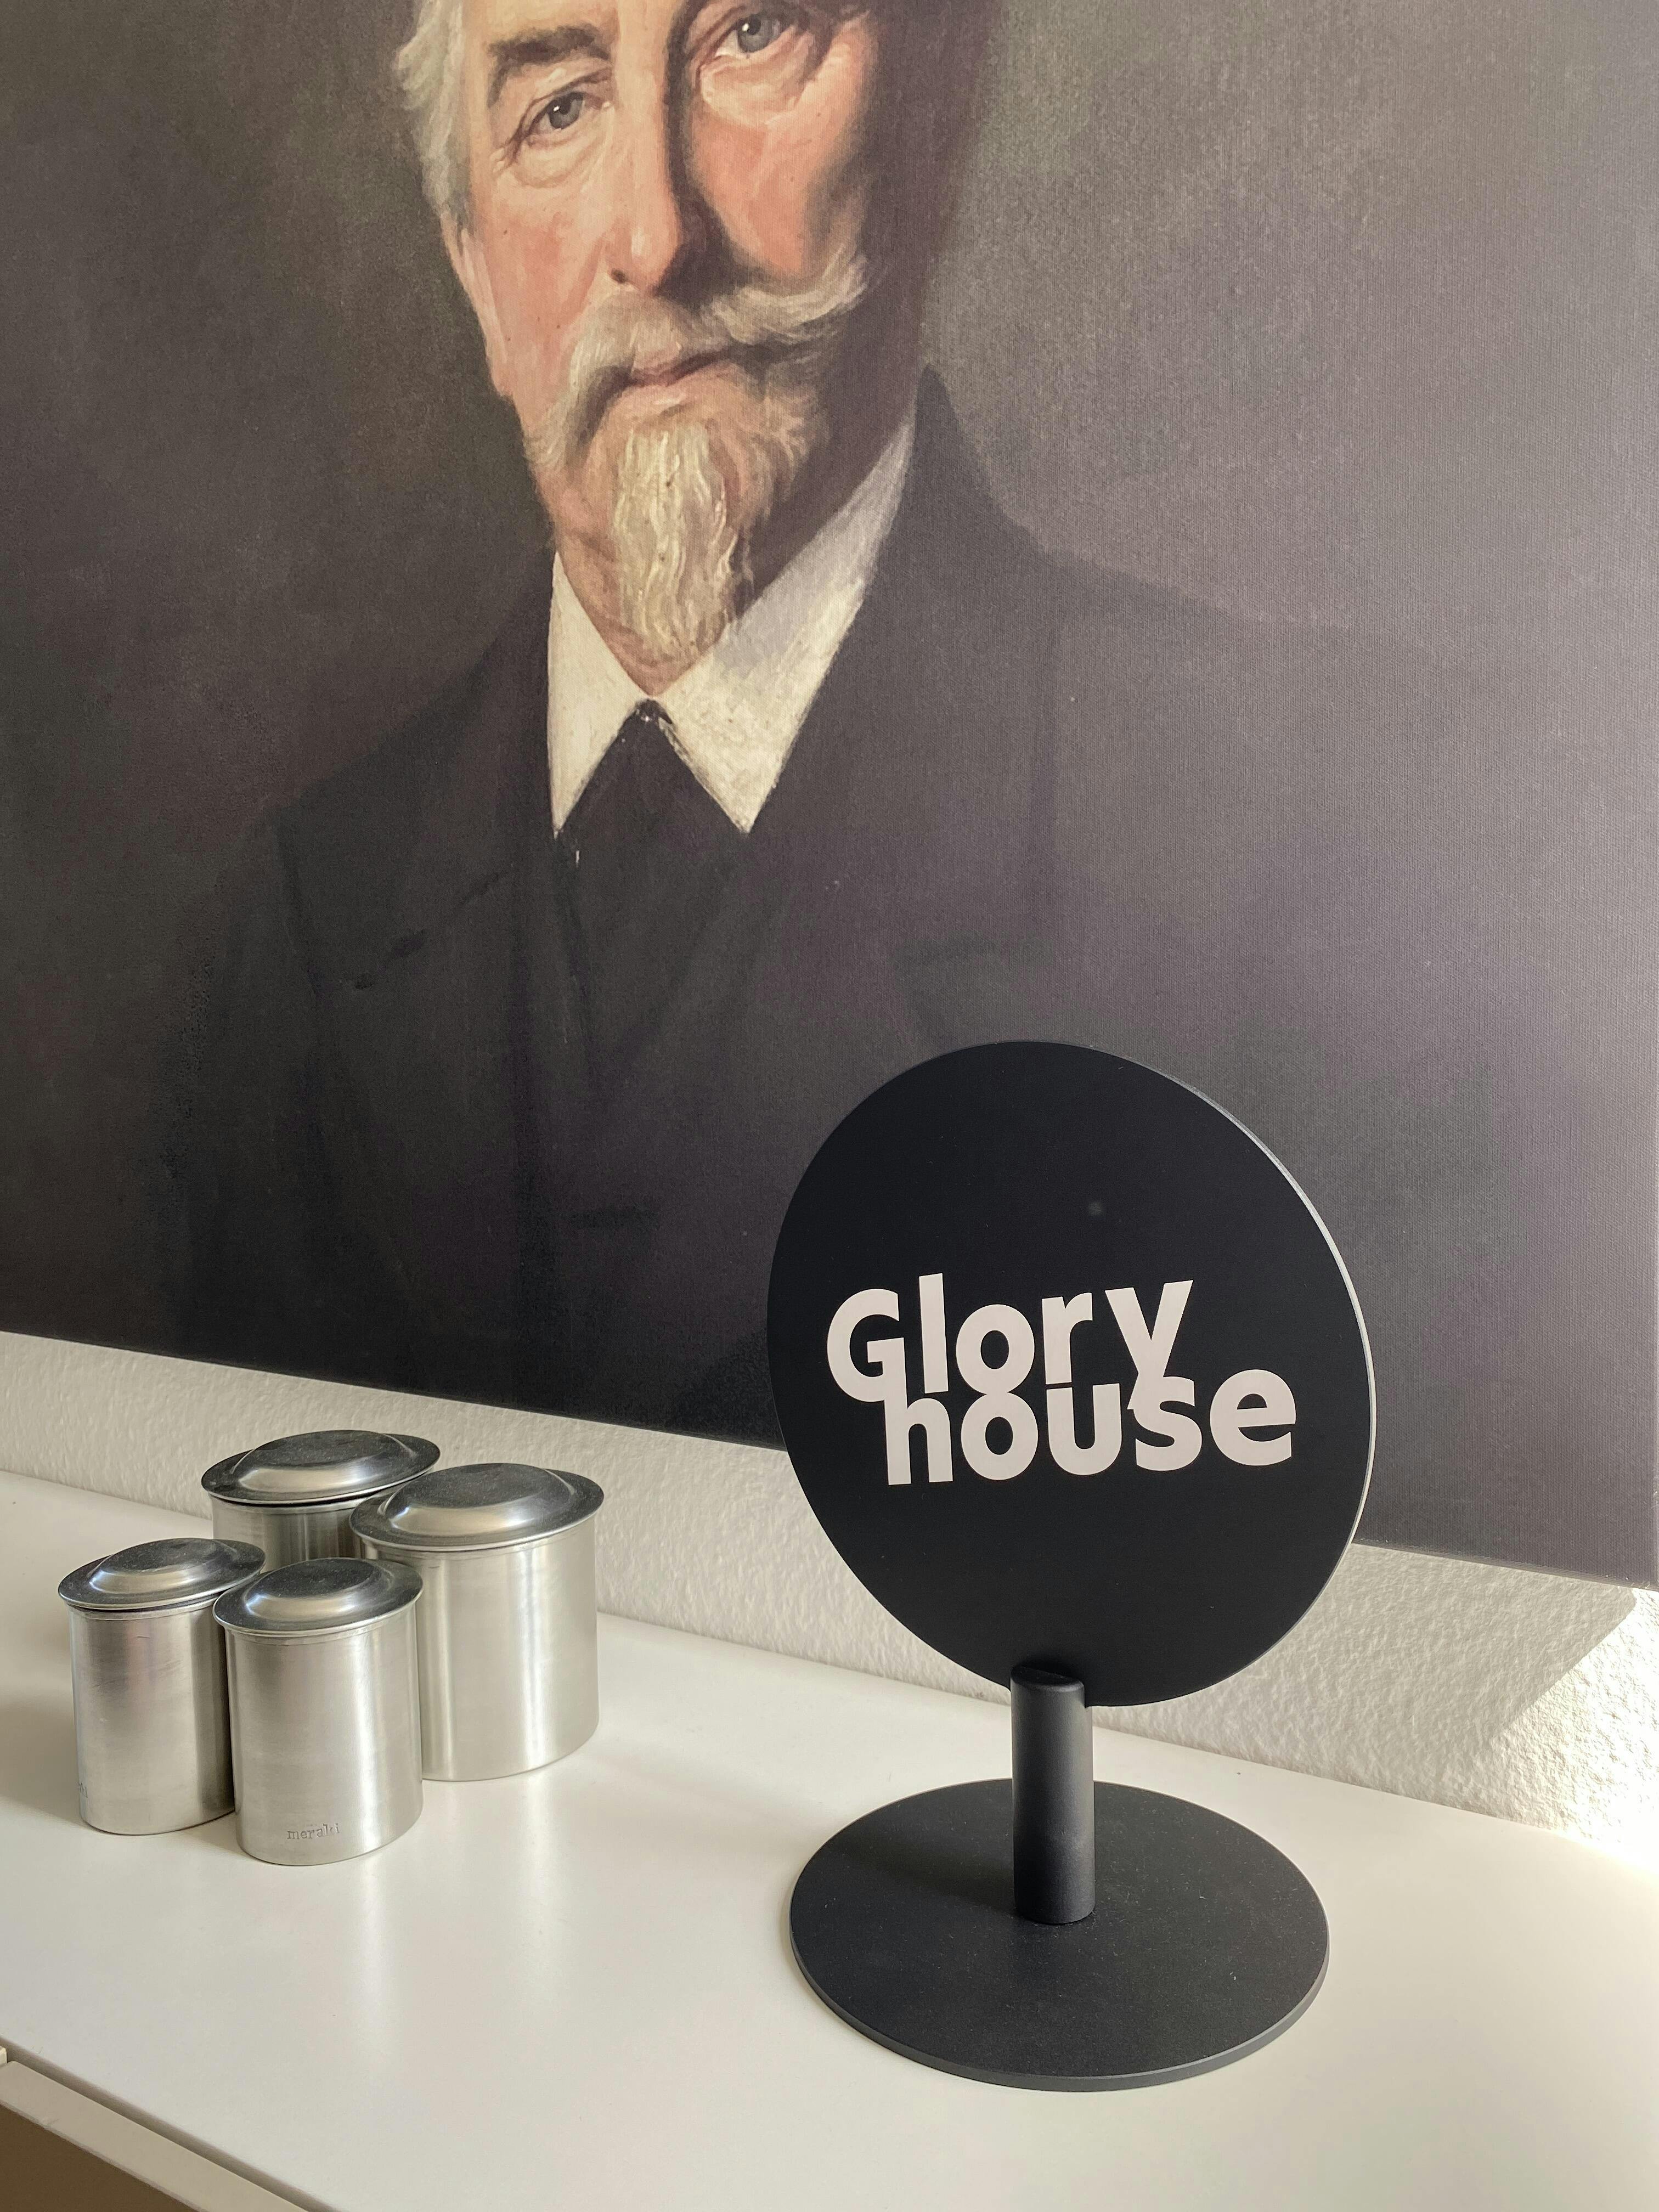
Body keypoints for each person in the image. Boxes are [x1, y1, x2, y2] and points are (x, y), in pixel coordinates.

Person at [163, 0, 1560, 1508]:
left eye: (749, 38)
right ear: (473, 269)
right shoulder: (301, 924)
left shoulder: (1337, 849)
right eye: (557, 109)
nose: (655, 236)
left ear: (937, 112)